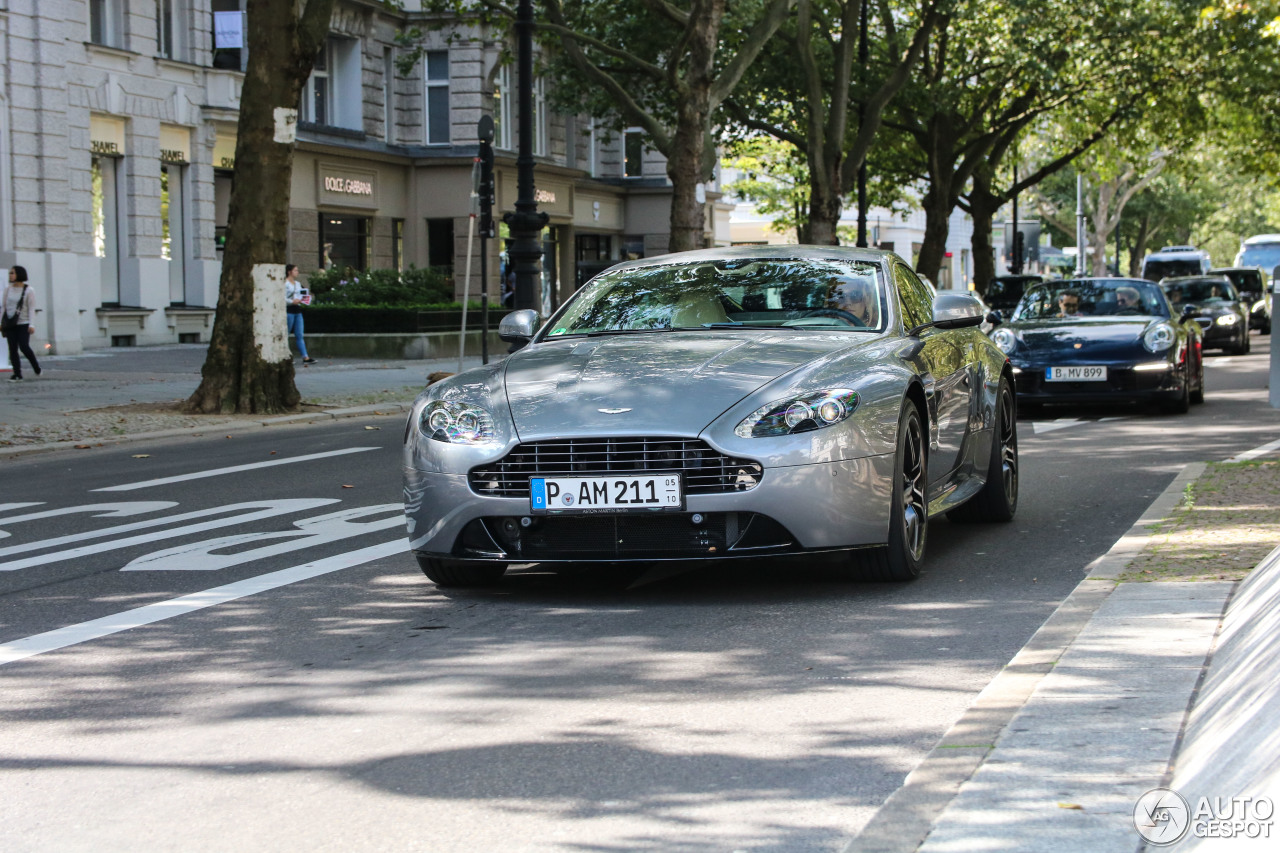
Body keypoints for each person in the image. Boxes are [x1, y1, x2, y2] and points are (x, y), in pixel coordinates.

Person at [3, 266, 42, 381]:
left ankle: (36, 366)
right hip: (10, 323)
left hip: (23, 323)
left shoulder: (29, 290)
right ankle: (17, 374)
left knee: (24, 346)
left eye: (12, 273)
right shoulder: (7, 289)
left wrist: (32, 324)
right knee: (12, 348)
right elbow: (4, 307)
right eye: (10, 273)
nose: (10, 275)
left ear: (19, 274)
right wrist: (1, 321)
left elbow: (31, 308)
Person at [284, 264, 316, 365]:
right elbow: (282, 297)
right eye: (295, 270)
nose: (297, 272)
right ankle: (286, 356)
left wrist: (304, 300)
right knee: (286, 334)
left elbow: (303, 294)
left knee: (299, 334)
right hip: (289, 310)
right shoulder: (285, 284)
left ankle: (305, 356)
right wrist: (291, 301)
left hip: (297, 310)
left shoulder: (297, 284)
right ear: (289, 272)